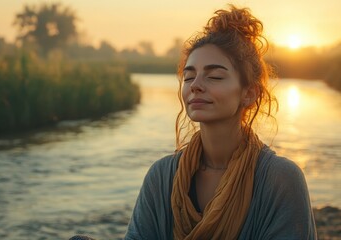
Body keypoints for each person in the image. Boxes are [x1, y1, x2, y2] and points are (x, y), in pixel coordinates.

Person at [124, 5, 317, 240]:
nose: (195, 84)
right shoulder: (162, 176)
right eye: (189, 76)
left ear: (249, 93)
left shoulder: (281, 179)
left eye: (214, 76)